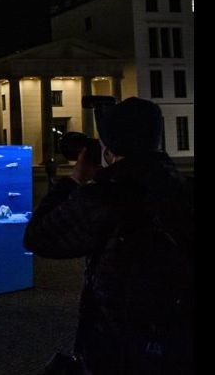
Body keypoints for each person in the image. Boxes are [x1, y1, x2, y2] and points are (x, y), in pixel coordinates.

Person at [24, 97, 194, 374]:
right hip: (178, 341)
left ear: (111, 145)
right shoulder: (185, 189)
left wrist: (75, 179)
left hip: (117, 344)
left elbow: (39, 237)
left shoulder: (104, 197)